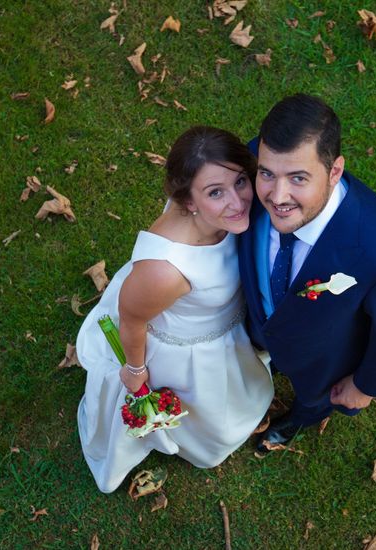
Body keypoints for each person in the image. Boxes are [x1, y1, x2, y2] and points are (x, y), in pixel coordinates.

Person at [76, 126, 274, 493]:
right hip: (188, 351)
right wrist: (135, 370)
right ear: (189, 202)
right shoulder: (165, 271)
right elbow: (133, 318)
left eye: (240, 182)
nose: (237, 201)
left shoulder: (223, 214)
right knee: (212, 420)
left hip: (225, 330)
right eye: (216, 192)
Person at [237, 94, 376, 453]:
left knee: (312, 398)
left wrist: (366, 386)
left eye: (298, 178)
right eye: (267, 174)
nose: (277, 197)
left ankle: (297, 419)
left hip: (323, 361)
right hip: (258, 323)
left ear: (335, 171)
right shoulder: (253, 164)